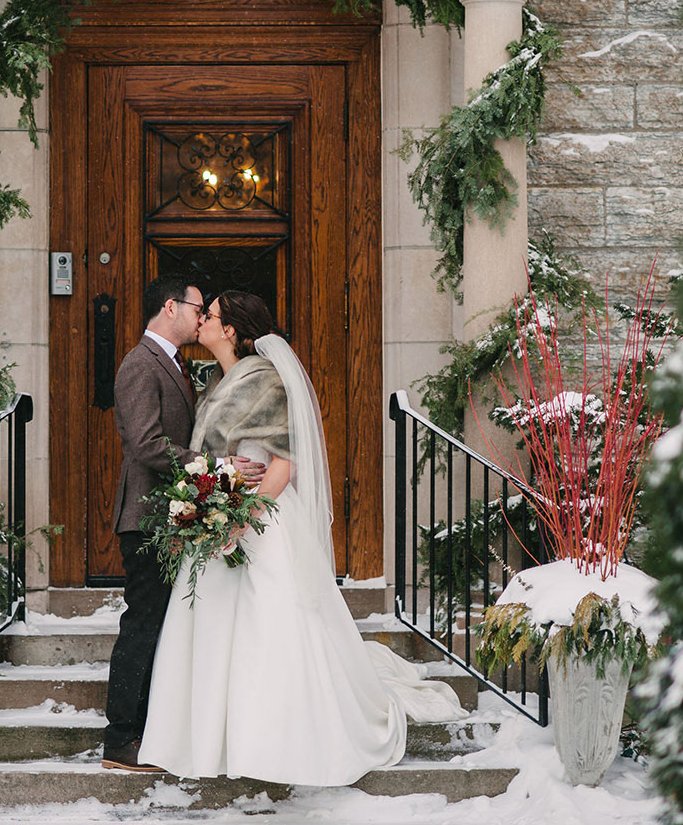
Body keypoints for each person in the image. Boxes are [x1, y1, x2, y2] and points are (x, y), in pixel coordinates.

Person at [138, 291, 465, 786]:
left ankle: (275, 739)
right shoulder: (212, 382)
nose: (202, 321)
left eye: (212, 316)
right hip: (220, 521)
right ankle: (211, 740)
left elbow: (285, 465)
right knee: (211, 632)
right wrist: (211, 508)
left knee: (268, 629)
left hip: (260, 520)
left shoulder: (267, 381)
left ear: (230, 331)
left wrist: (243, 517)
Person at [101, 275, 263, 772]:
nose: (201, 317)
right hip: (146, 517)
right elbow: (147, 445)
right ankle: (121, 738)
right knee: (143, 623)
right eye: (197, 308)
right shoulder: (138, 364)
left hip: (169, 517)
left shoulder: (174, 364)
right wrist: (214, 468)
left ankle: (150, 732)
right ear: (170, 308)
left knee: (160, 626)